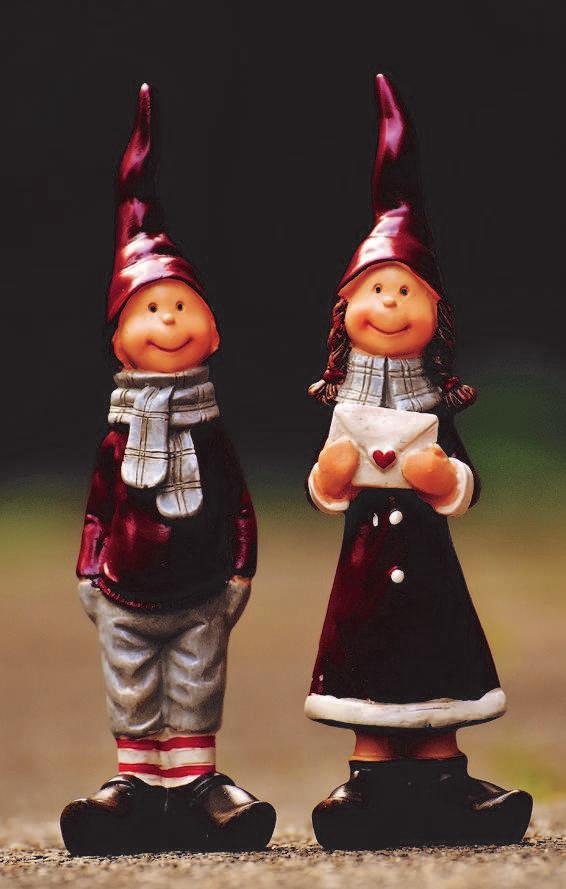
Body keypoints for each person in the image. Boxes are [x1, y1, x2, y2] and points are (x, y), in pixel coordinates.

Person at [305, 74, 532, 849]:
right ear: (346, 311)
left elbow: (464, 476)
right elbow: (324, 483)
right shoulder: (344, 401)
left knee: (436, 653)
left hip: (429, 564)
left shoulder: (434, 403)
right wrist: (333, 476)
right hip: (365, 564)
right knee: (367, 658)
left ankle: (442, 774)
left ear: (436, 311)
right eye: (376, 288)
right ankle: (370, 777)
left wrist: (446, 480)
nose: (391, 303)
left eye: (406, 289)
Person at [60, 84, 276, 856]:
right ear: (118, 334)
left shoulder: (208, 429)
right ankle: (134, 788)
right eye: (150, 309)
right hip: (124, 587)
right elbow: (99, 505)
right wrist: (89, 571)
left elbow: (238, 501)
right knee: (132, 686)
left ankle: (195, 786)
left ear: (212, 329)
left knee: (194, 684)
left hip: (201, 589)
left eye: (182, 306)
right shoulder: (118, 433)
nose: (169, 321)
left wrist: (240, 569)